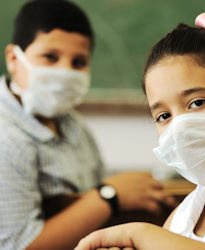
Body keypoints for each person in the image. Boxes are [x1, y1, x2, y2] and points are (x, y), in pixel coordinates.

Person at [0, 0, 175, 249]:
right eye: (50, 57)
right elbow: (14, 245)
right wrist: (109, 196)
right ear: (13, 59)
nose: (65, 72)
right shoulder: (5, 136)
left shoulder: (74, 126)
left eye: (78, 62)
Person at [74, 13, 205, 250]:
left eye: (197, 102)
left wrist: (138, 233)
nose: (180, 128)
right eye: (164, 116)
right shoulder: (185, 214)